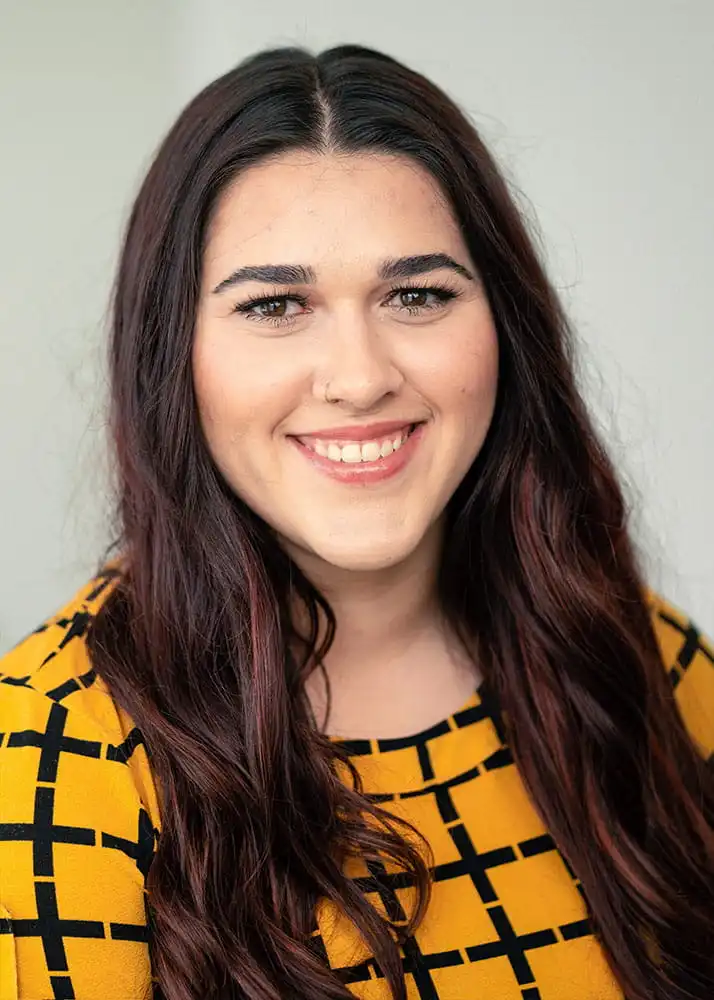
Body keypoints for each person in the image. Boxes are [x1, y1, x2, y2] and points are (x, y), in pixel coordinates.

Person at [0, 42, 712, 1000]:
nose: (362, 375)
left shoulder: (638, 661)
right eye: (276, 305)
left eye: (417, 295)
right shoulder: (49, 745)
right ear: (173, 354)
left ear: (506, 328)